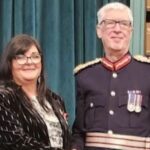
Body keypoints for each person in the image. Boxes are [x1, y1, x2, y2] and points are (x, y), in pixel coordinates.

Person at [71, 2, 150, 150]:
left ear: (131, 31)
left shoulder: (147, 73)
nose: (117, 29)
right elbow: (79, 133)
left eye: (124, 24)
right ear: (99, 31)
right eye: (110, 23)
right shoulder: (85, 76)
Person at [0, 34, 70, 150]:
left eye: (35, 56)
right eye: (21, 57)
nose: (29, 62)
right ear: (9, 63)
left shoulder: (55, 100)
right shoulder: (4, 98)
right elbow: (16, 142)